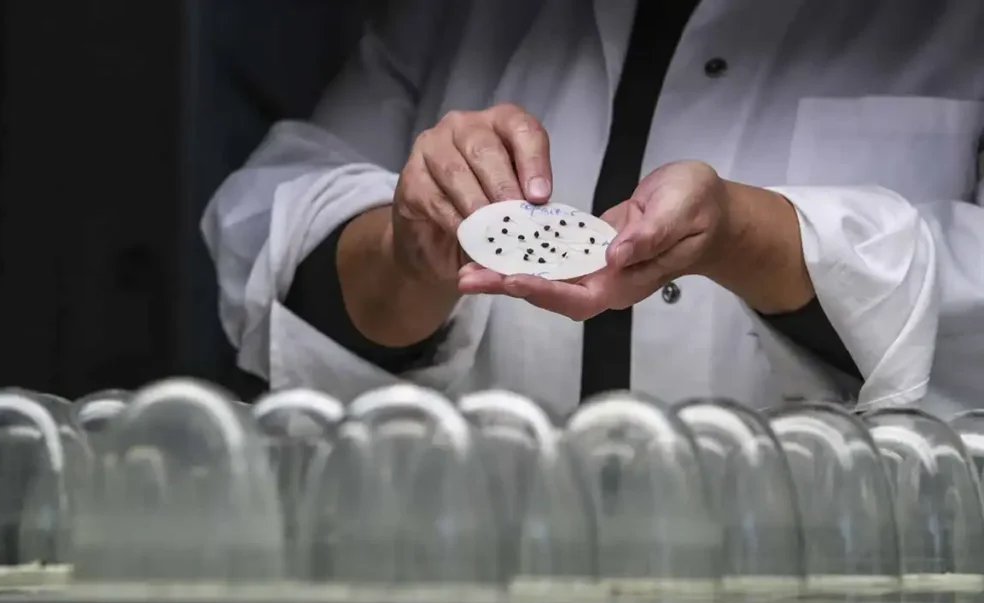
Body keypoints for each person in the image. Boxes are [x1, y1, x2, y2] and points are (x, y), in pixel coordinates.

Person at [201, 0, 984, 419]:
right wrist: (406, 253)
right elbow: (265, 239)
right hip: (490, 596)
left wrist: (755, 240)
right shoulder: (460, 16)